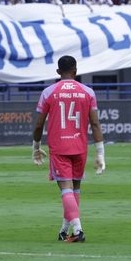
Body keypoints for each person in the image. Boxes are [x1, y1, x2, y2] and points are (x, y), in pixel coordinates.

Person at [31, 55, 105, 243]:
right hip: (80, 146)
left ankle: (78, 230)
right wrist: (100, 153)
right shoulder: (88, 92)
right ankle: (65, 230)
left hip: (59, 146)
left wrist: (36, 146)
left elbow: (39, 125)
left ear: (57, 72)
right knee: (75, 189)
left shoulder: (49, 92)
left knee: (66, 189)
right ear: (76, 70)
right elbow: (95, 123)